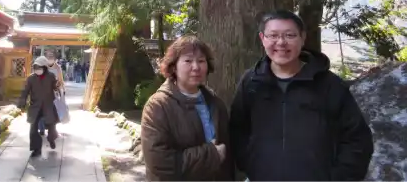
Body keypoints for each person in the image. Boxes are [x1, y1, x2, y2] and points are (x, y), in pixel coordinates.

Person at [229, 10, 374, 181]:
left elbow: (357, 139)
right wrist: (251, 165)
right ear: (262, 39)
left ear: (302, 38)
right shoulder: (251, 82)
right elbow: (237, 130)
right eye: (273, 35)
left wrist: (339, 178)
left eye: (290, 35)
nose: (281, 42)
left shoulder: (328, 84)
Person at [141, 35, 232, 181]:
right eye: (188, 60)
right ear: (174, 67)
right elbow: (160, 163)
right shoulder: (158, 106)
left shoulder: (216, 103)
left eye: (201, 61)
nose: (196, 67)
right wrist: (211, 154)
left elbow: (227, 157)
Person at [17, 56, 59, 157]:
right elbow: (25, 91)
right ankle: (36, 149)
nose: (37, 70)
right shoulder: (31, 78)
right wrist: (22, 102)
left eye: (39, 67)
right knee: (33, 129)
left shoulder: (51, 76)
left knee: (51, 126)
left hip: (48, 106)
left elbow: (55, 87)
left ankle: (52, 139)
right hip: (35, 107)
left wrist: (57, 86)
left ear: (45, 67)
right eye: (35, 67)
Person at [38, 51, 65, 136]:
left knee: (54, 112)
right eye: (48, 57)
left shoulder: (58, 67)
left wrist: (62, 90)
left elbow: (60, 80)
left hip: (54, 93)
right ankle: (42, 128)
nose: (50, 58)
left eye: (51, 57)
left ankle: (52, 129)